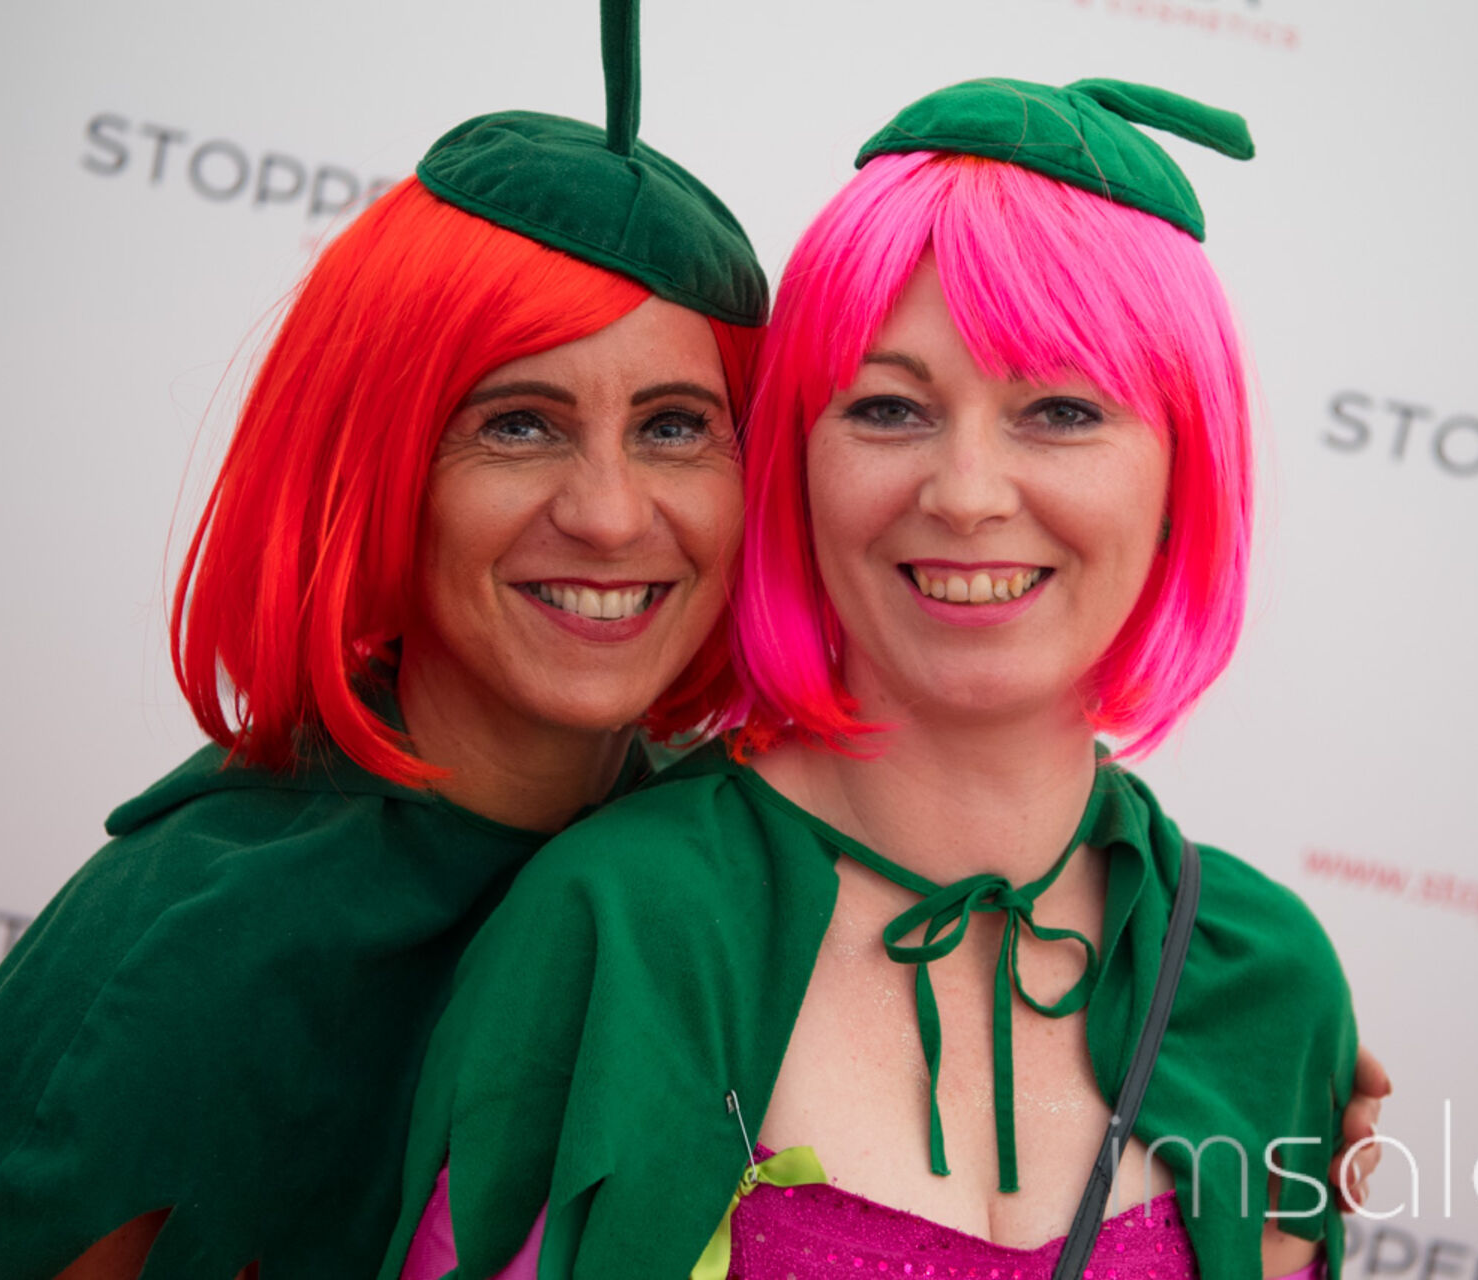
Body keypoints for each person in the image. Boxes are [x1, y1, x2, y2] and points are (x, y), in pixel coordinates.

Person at [387, 78, 1369, 1280]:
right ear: (796, 458)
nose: (965, 494)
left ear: (1184, 472)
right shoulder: (620, 924)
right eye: (891, 407)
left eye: (1062, 409)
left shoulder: (1265, 974)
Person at [0, 4, 768, 1276]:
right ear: (378, 461)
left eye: (675, 426)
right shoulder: (179, 958)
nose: (611, 515)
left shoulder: (752, 880)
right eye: (518, 424)